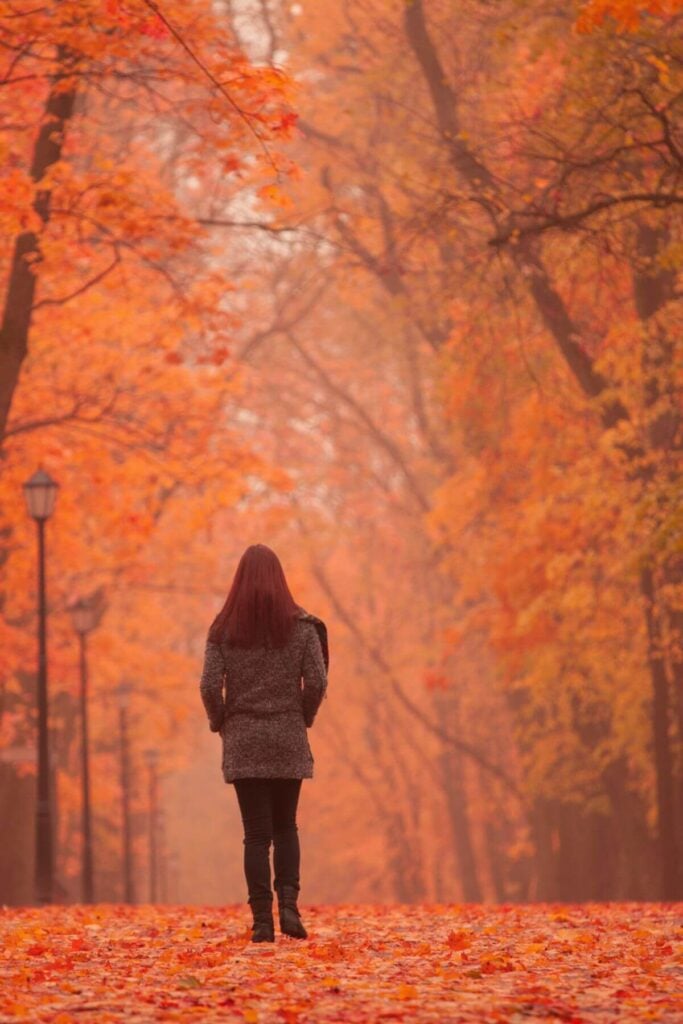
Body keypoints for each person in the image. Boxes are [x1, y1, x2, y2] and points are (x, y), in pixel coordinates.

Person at [199, 544, 329, 943]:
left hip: (244, 739)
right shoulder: (304, 628)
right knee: (286, 825)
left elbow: (209, 686)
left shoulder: (223, 630)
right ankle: (289, 906)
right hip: (287, 734)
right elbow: (317, 681)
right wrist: (302, 716)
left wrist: (221, 721)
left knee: (256, 834)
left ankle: (261, 922)